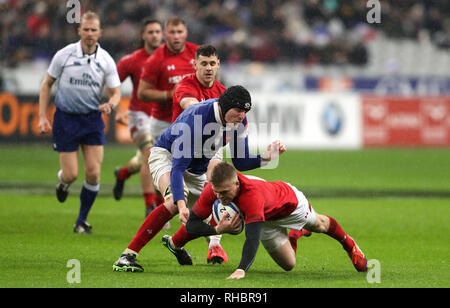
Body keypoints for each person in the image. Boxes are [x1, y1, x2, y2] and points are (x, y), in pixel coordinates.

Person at [112, 85, 286, 272]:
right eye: (238, 111)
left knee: (208, 210)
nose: (242, 115)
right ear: (224, 107)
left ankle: (175, 244)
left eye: (245, 111)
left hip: (196, 169)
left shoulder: (239, 123)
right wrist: (181, 205)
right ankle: (127, 256)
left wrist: (266, 157)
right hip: (167, 157)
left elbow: (241, 162)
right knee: (172, 202)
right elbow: (178, 168)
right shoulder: (197, 119)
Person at [185, 162, 368, 279]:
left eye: (224, 192)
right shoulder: (214, 190)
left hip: (290, 206)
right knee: (289, 265)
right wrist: (217, 230)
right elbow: (192, 224)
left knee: (319, 225)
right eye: (217, 192)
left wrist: (241, 269)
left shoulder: (252, 197)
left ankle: (349, 245)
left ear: (237, 184)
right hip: (264, 219)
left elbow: (252, 238)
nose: (220, 197)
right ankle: (295, 236)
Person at [38, 11, 121, 234]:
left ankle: (81, 220)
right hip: (66, 118)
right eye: (86, 29)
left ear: (100, 32)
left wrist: (110, 105)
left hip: (92, 119)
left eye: (94, 30)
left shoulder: (106, 60)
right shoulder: (64, 55)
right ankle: (63, 183)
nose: (90, 33)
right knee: (71, 174)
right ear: (79, 31)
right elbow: (47, 84)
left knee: (94, 173)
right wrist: (42, 117)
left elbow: (116, 92)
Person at [165, 44, 228, 264]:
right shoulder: (186, 85)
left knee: (218, 185)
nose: (208, 68)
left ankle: (215, 247)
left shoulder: (223, 92)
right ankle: (166, 241)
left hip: (210, 149)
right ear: (195, 65)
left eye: (212, 63)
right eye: (204, 63)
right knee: (175, 206)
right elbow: (190, 106)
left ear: (218, 64)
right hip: (183, 148)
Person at [112, 18, 164, 217]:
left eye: (158, 31)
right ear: (143, 35)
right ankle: (151, 204)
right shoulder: (132, 61)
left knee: (150, 159)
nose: (154, 35)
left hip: (160, 118)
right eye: (150, 32)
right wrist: (117, 108)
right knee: (150, 154)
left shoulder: (168, 60)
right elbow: (112, 83)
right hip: (138, 114)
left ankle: (123, 173)